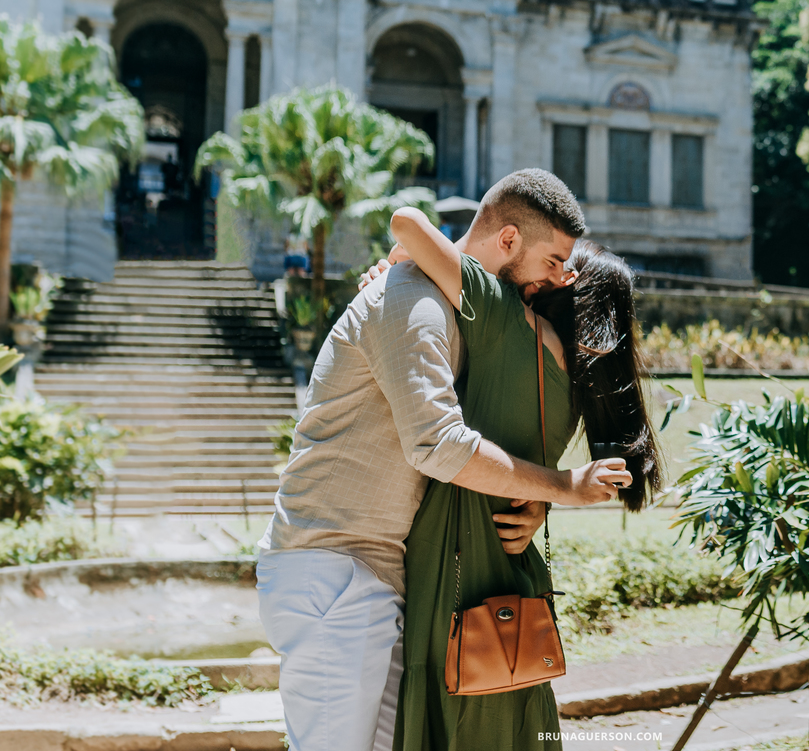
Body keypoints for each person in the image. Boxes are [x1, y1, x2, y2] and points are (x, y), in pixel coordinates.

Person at [256, 169, 632, 751]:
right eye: (554, 260)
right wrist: (563, 486)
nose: (563, 276)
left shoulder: (465, 312)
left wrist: (534, 501)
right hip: (332, 565)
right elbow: (438, 444)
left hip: (383, 571)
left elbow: (498, 429)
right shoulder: (413, 300)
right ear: (509, 240)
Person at [366, 204, 663, 751]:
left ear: (568, 285)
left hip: (453, 553)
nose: (552, 272)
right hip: (514, 566)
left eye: (561, 266)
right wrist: (544, 503)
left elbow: (406, 224)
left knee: (450, 702)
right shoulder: (581, 387)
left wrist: (402, 266)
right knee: (509, 700)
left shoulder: (504, 318)